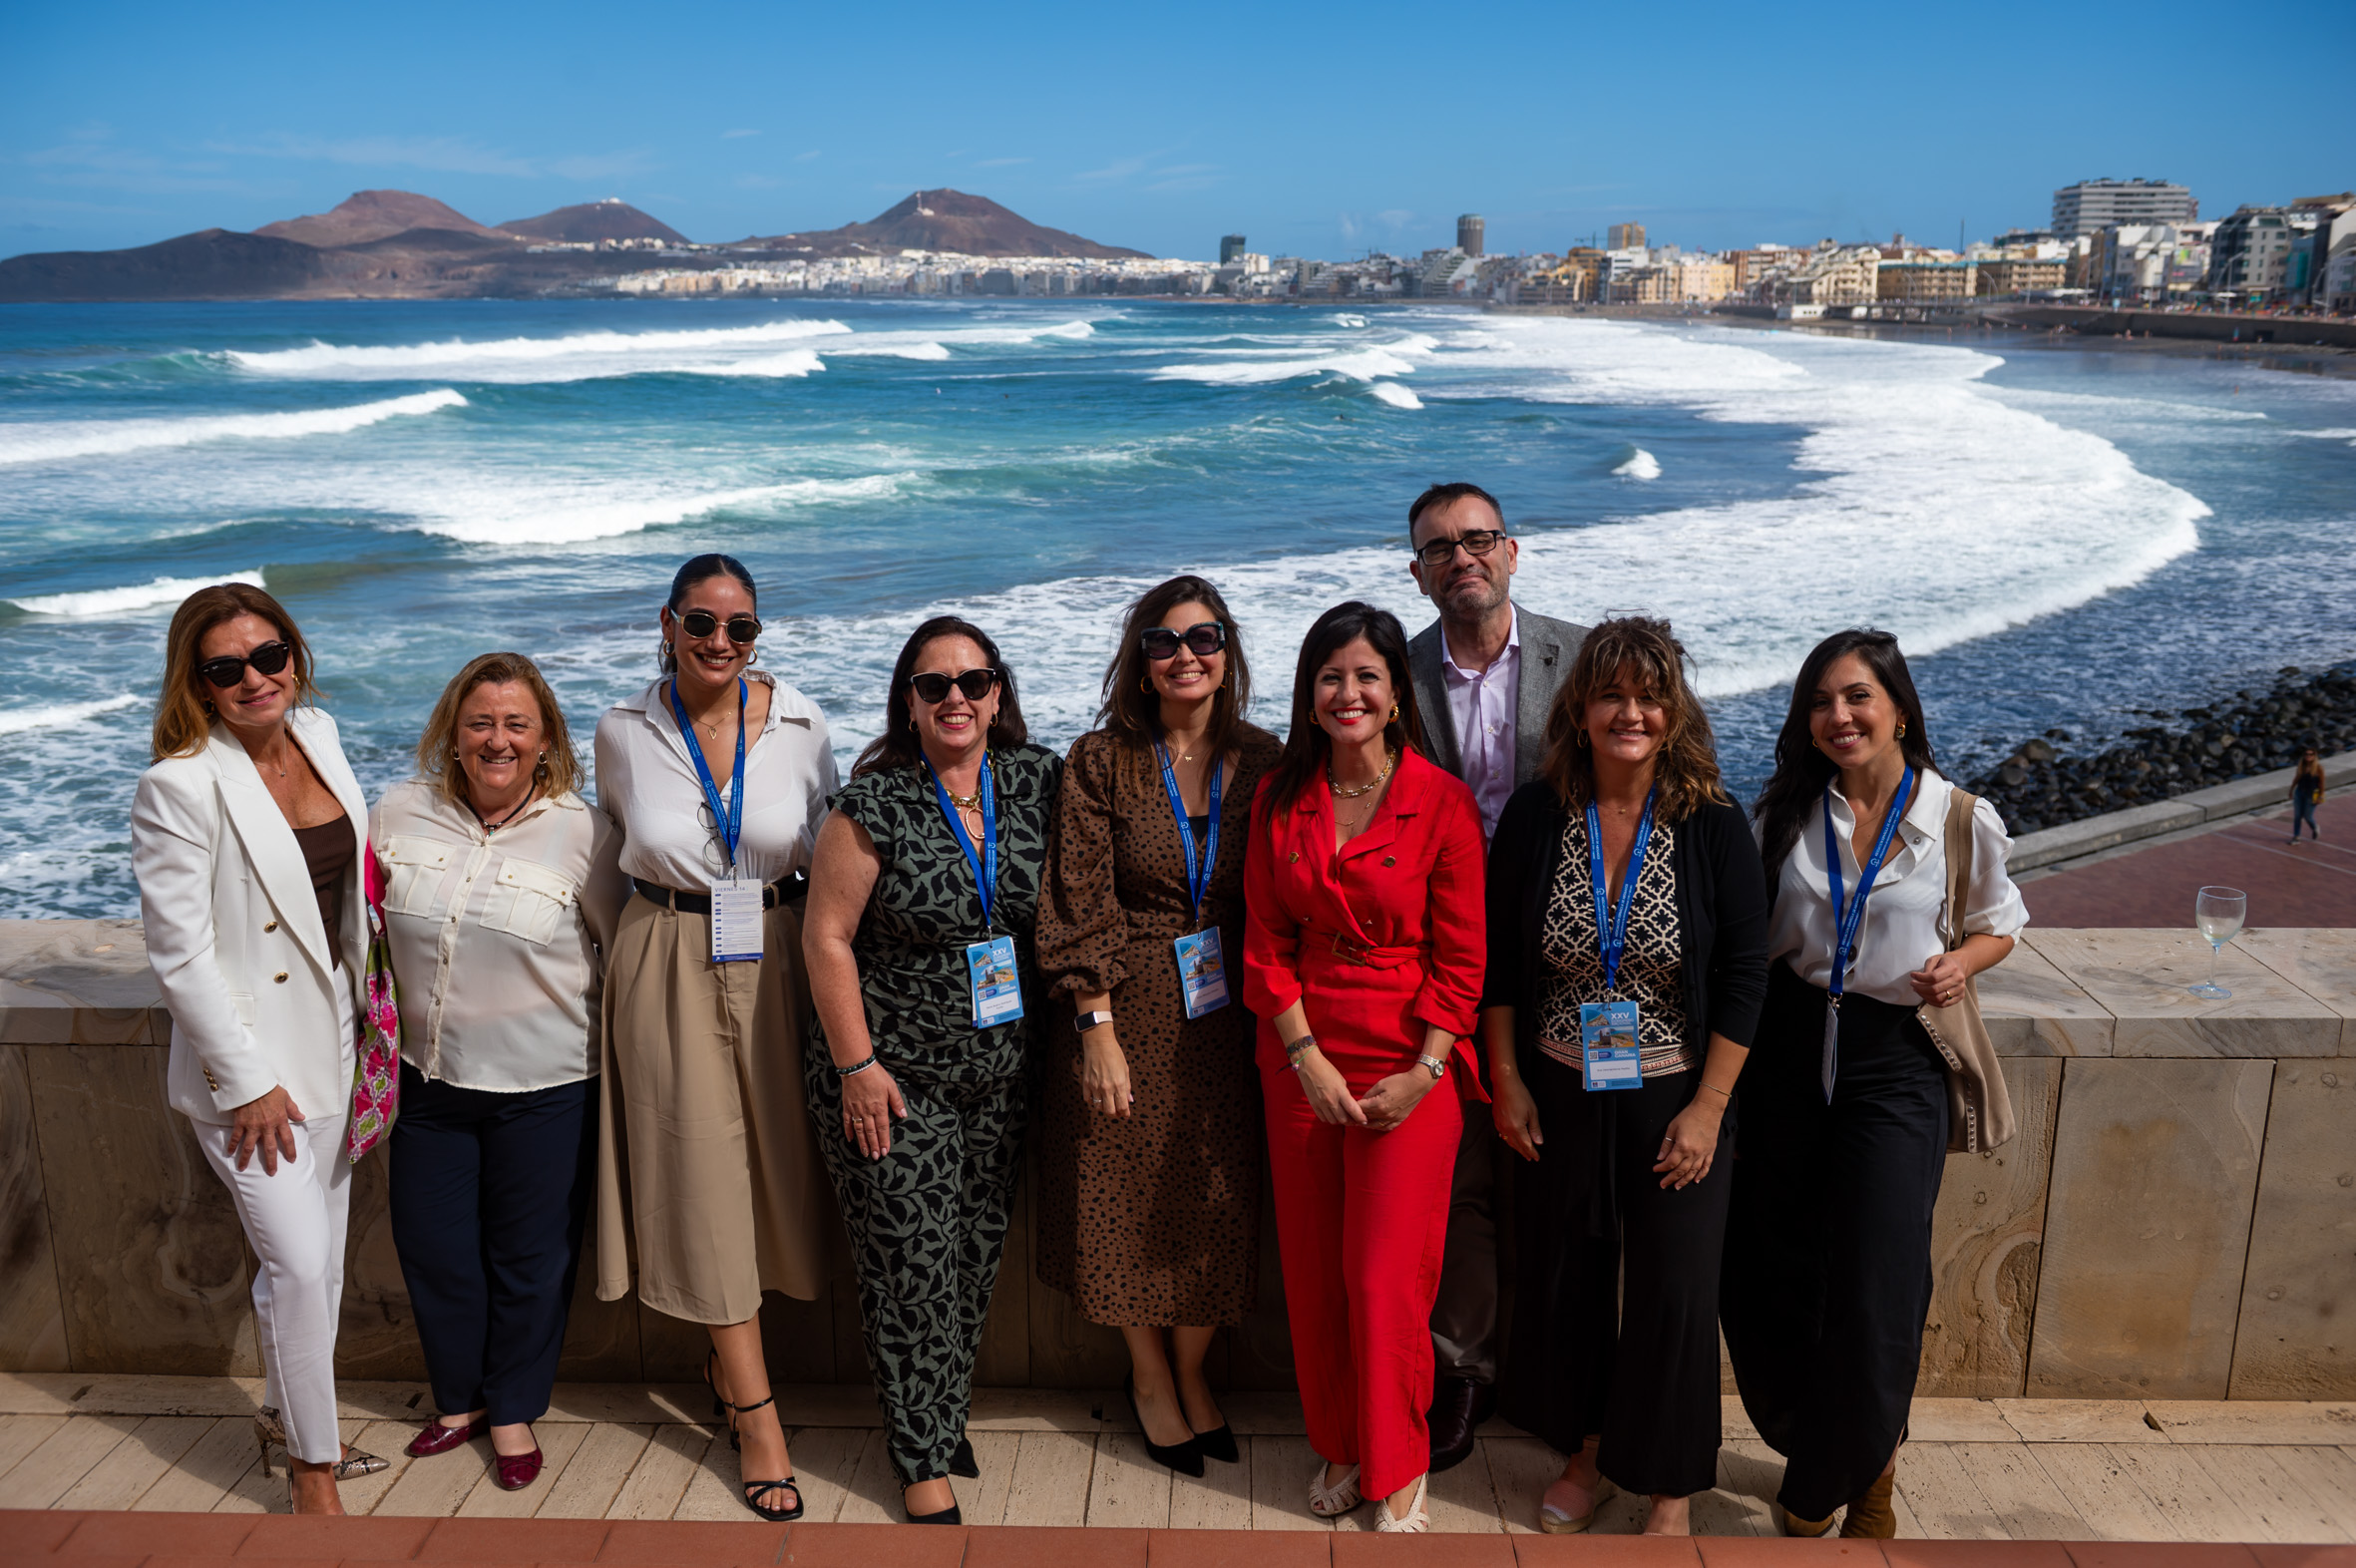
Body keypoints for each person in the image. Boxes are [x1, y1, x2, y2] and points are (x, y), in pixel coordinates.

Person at [1721, 628, 2027, 1540]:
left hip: (1895, 1060)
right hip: (1786, 1049)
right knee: (1769, 1268)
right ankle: (1815, 1442)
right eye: (1820, 701)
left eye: (1858, 696)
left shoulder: (1958, 817)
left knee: (1878, 1280)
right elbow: (1748, 939)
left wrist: (1961, 963)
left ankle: (1863, 1476)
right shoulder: (1783, 812)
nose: (1839, 716)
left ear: (1898, 709)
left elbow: (2001, 922)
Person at [1481, 617, 1769, 1536]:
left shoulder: (1712, 823)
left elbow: (1746, 976)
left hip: (1676, 1094)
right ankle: (1589, 1453)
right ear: (1580, 710)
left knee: (1673, 1293)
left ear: (1673, 713)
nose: (1630, 713)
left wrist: (1710, 1109)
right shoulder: (1537, 815)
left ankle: (1670, 1488)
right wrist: (1505, 1078)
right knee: (1568, 1280)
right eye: (1611, 695)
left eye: (1649, 697)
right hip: (1559, 1090)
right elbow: (1499, 961)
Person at [132, 583, 390, 1514]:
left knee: (319, 1267)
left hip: (336, 1045)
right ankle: (314, 1472)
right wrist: (245, 1083)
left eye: (269, 656)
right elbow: (180, 955)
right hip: (254, 1076)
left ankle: (288, 1421)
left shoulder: (318, 734)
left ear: (294, 656)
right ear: (196, 683)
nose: (254, 679)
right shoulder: (180, 785)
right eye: (226, 668)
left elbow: (345, 895)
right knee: (298, 1264)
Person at [591, 555, 838, 1522]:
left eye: (741, 628)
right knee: (697, 1175)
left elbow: (831, 847)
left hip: (779, 950)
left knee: (778, 1167)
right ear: (668, 624)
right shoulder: (622, 729)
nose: (720, 642)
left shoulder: (804, 724)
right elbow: (605, 853)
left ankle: (725, 1364)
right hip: (664, 951)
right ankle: (757, 1414)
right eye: (701, 623)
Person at [801, 616, 1061, 1524]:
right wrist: (857, 1065)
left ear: (998, 694)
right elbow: (826, 939)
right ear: (907, 703)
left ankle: (940, 1417)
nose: (956, 697)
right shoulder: (873, 803)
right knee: (909, 1263)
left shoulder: (1035, 780)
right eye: (934, 684)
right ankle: (920, 1458)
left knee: (973, 1255)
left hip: (1001, 1070)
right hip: (893, 1075)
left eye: (973, 681)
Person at [1242, 600, 1487, 1533]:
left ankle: (1400, 1459)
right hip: (1301, 1053)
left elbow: (1462, 961)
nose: (1349, 693)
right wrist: (1304, 1057)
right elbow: (1264, 942)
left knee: (1385, 1281)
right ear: (1309, 694)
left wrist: (1425, 1072)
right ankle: (1341, 1441)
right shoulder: (1280, 797)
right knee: (1313, 1275)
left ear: (1395, 693)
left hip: (1409, 1060)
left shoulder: (1441, 801)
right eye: (1331, 677)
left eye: (1367, 677)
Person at [1035, 576, 1283, 1475]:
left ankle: (1191, 1371)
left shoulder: (1267, 759)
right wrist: (1095, 1026)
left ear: (1228, 653)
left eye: (1204, 638)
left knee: (1220, 1196)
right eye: (1164, 641)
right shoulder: (1102, 760)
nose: (1186, 655)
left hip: (1232, 1013)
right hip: (1125, 1006)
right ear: (1140, 664)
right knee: (1121, 1196)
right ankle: (1148, 1377)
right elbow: (1077, 898)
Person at [374, 653, 615, 1489]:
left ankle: (512, 1409)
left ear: (546, 740)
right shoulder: (397, 812)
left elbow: (619, 946)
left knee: (530, 1259)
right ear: (453, 733)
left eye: (517, 724)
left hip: (547, 1085)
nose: (497, 740)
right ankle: (458, 1401)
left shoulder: (585, 833)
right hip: (428, 1080)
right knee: (432, 1247)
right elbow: (349, 926)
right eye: (480, 722)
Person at [1401, 480, 1590, 1469]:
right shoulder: (1394, 676)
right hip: (1440, 963)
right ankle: (1464, 1371)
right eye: (1439, 548)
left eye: (1477, 540)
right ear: (1418, 573)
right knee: (1462, 1178)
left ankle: (1567, 1379)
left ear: (1512, 551)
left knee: (1570, 1175)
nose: (1461, 558)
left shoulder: (1582, 660)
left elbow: (1664, 776)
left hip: (1569, 958)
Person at [2289, 748, 2324, 842]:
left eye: (2311, 754)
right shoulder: (2301, 766)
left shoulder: (2318, 768)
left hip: (2311, 795)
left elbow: (2321, 783)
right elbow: (2296, 779)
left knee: (2308, 816)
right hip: (2299, 793)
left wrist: (2320, 796)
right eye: (2306, 754)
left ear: (2314, 756)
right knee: (2297, 816)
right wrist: (2291, 790)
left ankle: (2315, 827)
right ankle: (2296, 836)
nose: (2308, 756)